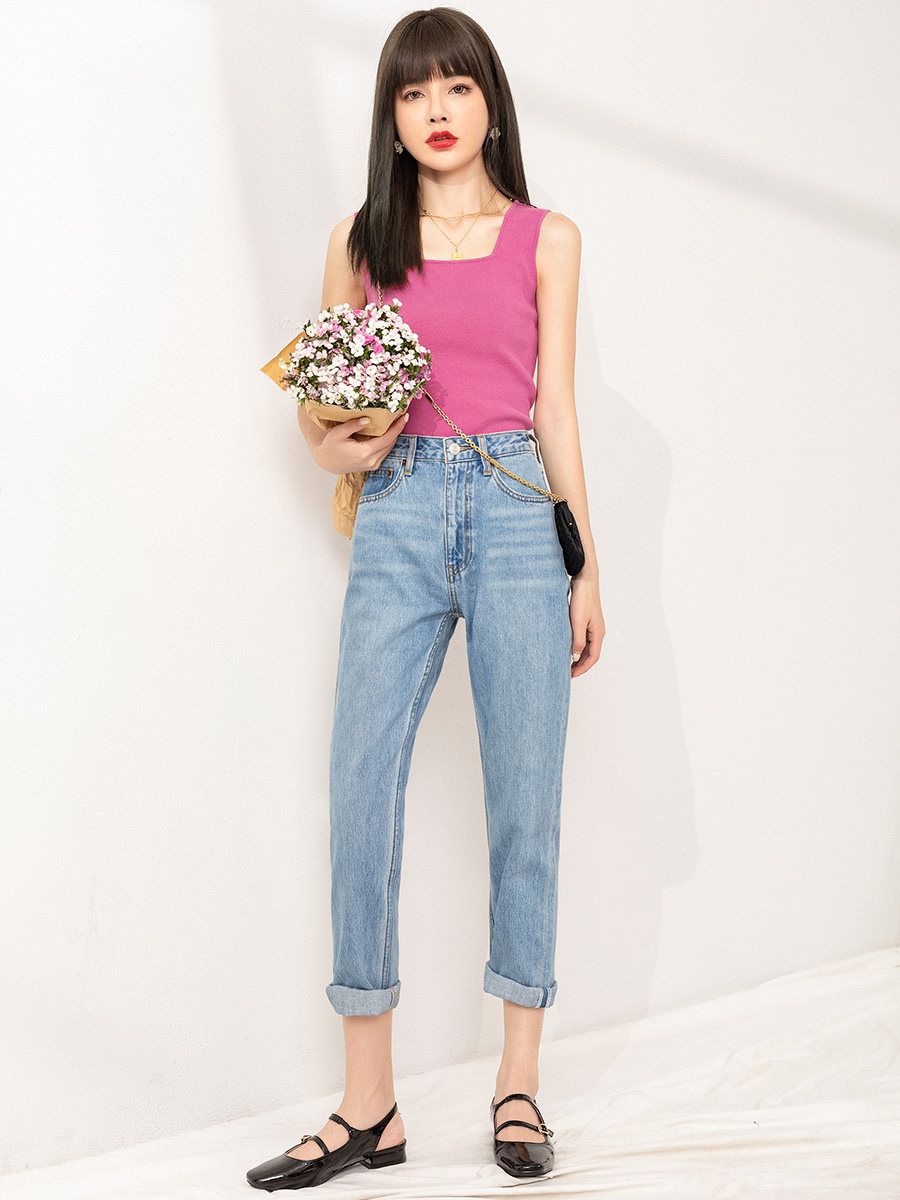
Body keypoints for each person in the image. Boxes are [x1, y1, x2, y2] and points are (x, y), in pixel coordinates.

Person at [247, 6, 604, 1191]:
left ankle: (518, 1081)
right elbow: (322, 415)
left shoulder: (548, 238)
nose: (437, 110)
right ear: (391, 117)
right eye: (412, 93)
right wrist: (338, 448)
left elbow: (556, 409)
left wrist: (584, 563)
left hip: (515, 512)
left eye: (456, 87)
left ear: (491, 104)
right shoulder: (362, 237)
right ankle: (370, 1105)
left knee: (524, 801)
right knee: (360, 790)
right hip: (398, 512)